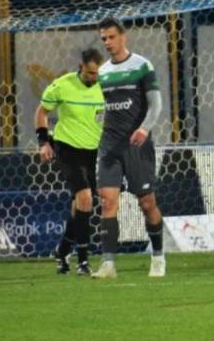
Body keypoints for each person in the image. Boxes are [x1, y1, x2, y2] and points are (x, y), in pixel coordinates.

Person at [91, 17, 165, 279]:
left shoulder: (142, 66)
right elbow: (101, 107)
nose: (107, 42)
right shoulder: (102, 72)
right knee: (108, 202)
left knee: (147, 202)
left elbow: (156, 104)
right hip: (109, 146)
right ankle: (108, 264)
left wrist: (144, 128)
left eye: (111, 37)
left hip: (136, 145)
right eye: (103, 38)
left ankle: (158, 256)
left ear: (123, 36)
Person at [35, 49, 104, 275]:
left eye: (97, 73)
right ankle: (83, 260)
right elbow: (42, 112)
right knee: (85, 198)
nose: (94, 77)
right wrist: (44, 143)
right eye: (90, 73)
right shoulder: (62, 85)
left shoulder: (105, 86)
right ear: (80, 67)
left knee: (81, 205)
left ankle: (63, 250)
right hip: (67, 148)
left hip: (92, 151)